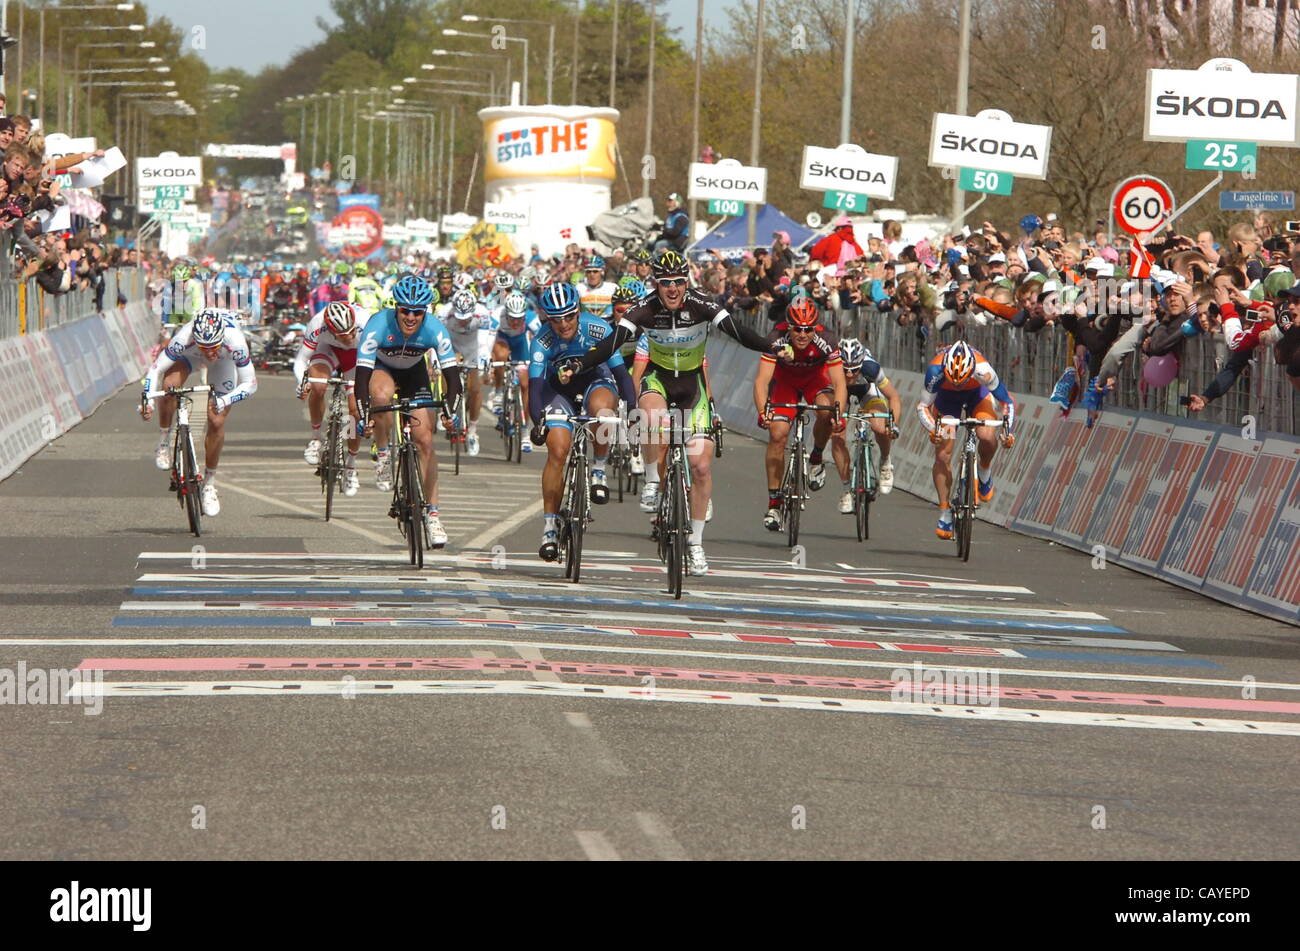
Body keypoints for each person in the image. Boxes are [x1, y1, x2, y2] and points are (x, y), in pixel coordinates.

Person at [561, 249, 779, 575]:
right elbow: (613, 341)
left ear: (686, 282)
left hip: (693, 389)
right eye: (665, 283)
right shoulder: (645, 308)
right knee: (651, 416)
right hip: (659, 379)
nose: (673, 289)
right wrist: (581, 362)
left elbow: (737, 331)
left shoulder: (701, 304)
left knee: (702, 467)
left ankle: (696, 545)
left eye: (678, 282)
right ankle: (651, 481)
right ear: (656, 284)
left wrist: (771, 346)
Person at [528, 282, 638, 561]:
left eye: (569, 316)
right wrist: (538, 421)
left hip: (596, 381)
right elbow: (536, 389)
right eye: (556, 319)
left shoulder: (599, 328)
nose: (564, 324)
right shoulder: (541, 341)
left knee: (601, 411)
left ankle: (599, 469)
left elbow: (622, 376)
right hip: (558, 392)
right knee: (557, 451)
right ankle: (550, 526)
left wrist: (633, 411)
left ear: (579, 311)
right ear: (546, 318)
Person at [355, 274, 463, 548]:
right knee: (380, 395)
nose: (411, 317)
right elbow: (361, 377)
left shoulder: (435, 328)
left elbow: (453, 378)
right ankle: (382, 455)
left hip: (415, 373)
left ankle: (433, 515)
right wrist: (365, 415)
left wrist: (450, 412)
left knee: (424, 439)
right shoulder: (378, 324)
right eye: (405, 310)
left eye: (418, 312)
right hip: (382, 369)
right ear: (396, 307)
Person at [139, 309, 258, 518]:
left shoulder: (236, 341)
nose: (210, 352)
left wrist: (224, 400)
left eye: (214, 347)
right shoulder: (184, 337)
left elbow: (250, 384)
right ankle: (164, 440)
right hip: (188, 357)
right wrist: (148, 398)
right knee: (169, 387)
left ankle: (210, 484)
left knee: (217, 421)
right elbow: (156, 369)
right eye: (205, 347)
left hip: (224, 363)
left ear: (222, 338)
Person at [753, 298, 847, 531]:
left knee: (826, 411)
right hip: (785, 383)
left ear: (816, 327)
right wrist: (763, 411)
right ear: (789, 326)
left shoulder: (828, 340)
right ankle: (774, 503)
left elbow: (839, 382)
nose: (803, 334)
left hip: (815, 380)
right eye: (797, 329)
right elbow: (762, 380)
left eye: (808, 329)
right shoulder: (775, 339)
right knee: (778, 434)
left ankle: (816, 456)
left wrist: (839, 414)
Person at [917, 340, 1016, 540]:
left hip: (977, 395)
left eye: (961, 380)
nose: (957, 384)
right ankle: (945, 511)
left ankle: (985, 470)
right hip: (946, 400)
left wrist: (1008, 431)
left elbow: (1007, 402)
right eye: (953, 380)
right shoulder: (935, 370)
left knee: (987, 435)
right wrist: (933, 429)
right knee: (943, 454)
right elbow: (922, 407)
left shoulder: (983, 370)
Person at [293, 300, 370, 497]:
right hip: (328, 352)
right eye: (342, 336)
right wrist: (303, 383)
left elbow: (376, 359)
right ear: (331, 329)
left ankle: (351, 466)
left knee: (355, 411)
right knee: (318, 386)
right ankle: (316, 439)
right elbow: (301, 360)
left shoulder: (365, 321)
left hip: (356, 357)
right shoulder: (317, 324)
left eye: (351, 333)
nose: (348, 338)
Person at [831, 339, 901, 514]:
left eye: (854, 370)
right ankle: (847, 490)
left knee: (879, 426)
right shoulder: (831, 368)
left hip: (867, 388)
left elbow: (894, 397)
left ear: (861, 363)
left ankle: (885, 461)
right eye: (845, 370)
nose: (849, 375)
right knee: (837, 436)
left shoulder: (871, 368)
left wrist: (893, 425)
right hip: (842, 391)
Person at [436, 288, 493, 456]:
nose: (463, 321)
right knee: (446, 375)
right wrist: (436, 362)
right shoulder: (444, 313)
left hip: (473, 349)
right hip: (450, 346)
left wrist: (484, 362)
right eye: (460, 318)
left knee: (475, 389)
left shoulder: (482, 314)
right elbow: (437, 339)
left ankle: (473, 431)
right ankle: (446, 408)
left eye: (466, 318)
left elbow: (484, 343)